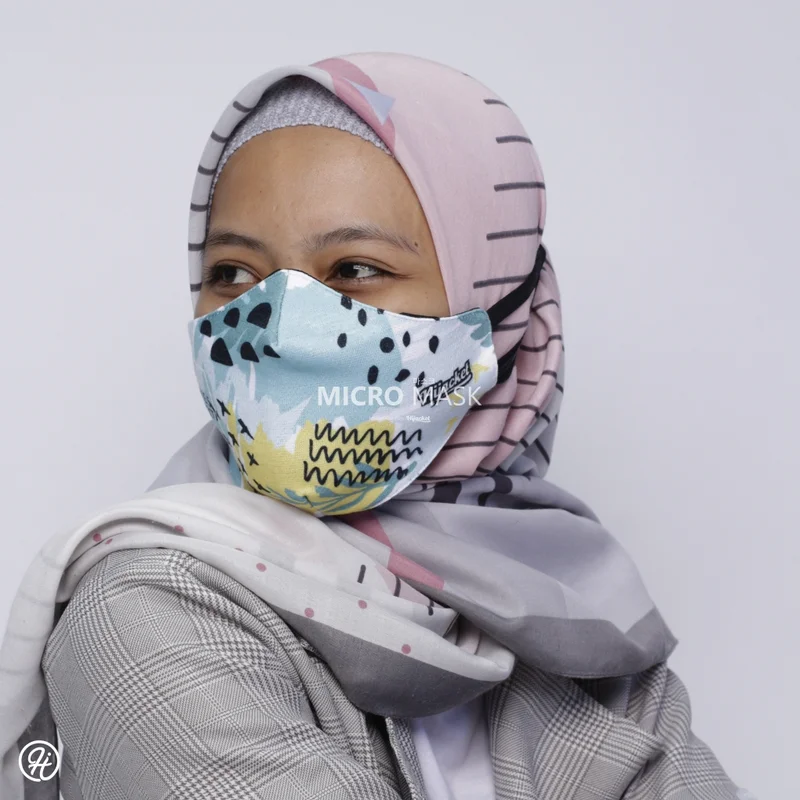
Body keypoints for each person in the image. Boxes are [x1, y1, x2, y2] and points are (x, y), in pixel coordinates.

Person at [0, 52, 753, 800]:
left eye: (355, 270)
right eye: (233, 274)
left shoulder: (574, 618)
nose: (283, 329)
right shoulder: (144, 608)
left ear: (501, 310)